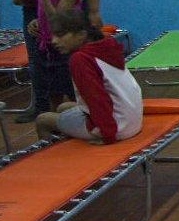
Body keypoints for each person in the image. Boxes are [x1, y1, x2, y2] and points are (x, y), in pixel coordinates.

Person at [35, 8, 142, 144]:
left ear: (81, 35)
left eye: (60, 35)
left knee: (43, 120)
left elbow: (96, 98)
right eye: (53, 35)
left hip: (116, 129)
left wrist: (107, 135)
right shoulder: (106, 46)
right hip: (132, 121)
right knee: (63, 107)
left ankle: (56, 160)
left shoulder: (80, 59)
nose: (54, 41)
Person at [26, 0, 82, 110]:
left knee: (69, 89)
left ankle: (77, 119)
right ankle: (56, 125)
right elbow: (44, 15)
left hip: (65, 49)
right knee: (52, 89)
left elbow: (57, 20)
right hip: (47, 47)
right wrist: (36, 22)